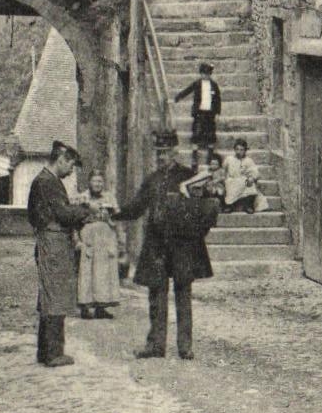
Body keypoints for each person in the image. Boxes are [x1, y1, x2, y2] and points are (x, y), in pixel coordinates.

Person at [114, 127, 219, 361]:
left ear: (174, 151)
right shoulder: (152, 180)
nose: (161, 156)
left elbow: (203, 207)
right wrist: (115, 214)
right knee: (156, 295)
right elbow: (138, 207)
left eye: (165, 151)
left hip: (183, 245)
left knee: (183, 294)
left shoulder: (188, 176)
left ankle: (185, 347)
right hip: (158, 245)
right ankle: (156, 345)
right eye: (158, 152)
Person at [26, 140, 89, 368]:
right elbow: (63, 213)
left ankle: (45, 351)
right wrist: (84, 210)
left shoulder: (44, 181)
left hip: (49, 241)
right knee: (55, 296)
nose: (72, 171)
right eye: (70, 165)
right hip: (53, 243)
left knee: (48, 296)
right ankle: (53, 353)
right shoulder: (48, 182)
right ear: (61, 159)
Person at [76, 171, 120, 320]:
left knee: (103, 272)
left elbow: (117, 217)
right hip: (89, 235)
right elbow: (75, 219)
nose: (98, 184)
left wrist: (111, 215)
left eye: (100, 181)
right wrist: (77, 240)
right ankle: (85, 307)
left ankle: (101, 307)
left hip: (105, 237)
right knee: (87, 270)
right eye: (95, 181)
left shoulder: (109, 197)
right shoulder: (82, 197)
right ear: (90, 182)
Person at [173, 61, 222, 156]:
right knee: (196, 131)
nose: (205, 76)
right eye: (203, 73)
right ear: (201, 74)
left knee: (211, 132)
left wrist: (217, 113)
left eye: (207, 74)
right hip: (199, 112)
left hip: (210, 112)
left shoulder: (214, 85)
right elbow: (187, 90)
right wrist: (177, 98)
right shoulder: (197, 83)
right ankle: (194, 154)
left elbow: (218, 99)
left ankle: (210, 154)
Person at [222, 137, 269, 213]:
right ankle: (229, 206)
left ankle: (248, 205)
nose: (239, 152)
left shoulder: (248, 160)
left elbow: (255, 172)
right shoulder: (229, 159)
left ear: (245, 151)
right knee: (229, 183)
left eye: (241, 150)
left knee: (250, 184)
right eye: (237, 149)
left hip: (243, 180)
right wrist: (224, 178)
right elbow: (223, 170)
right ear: (234, 149)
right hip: (232, 180)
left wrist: (252, 178)